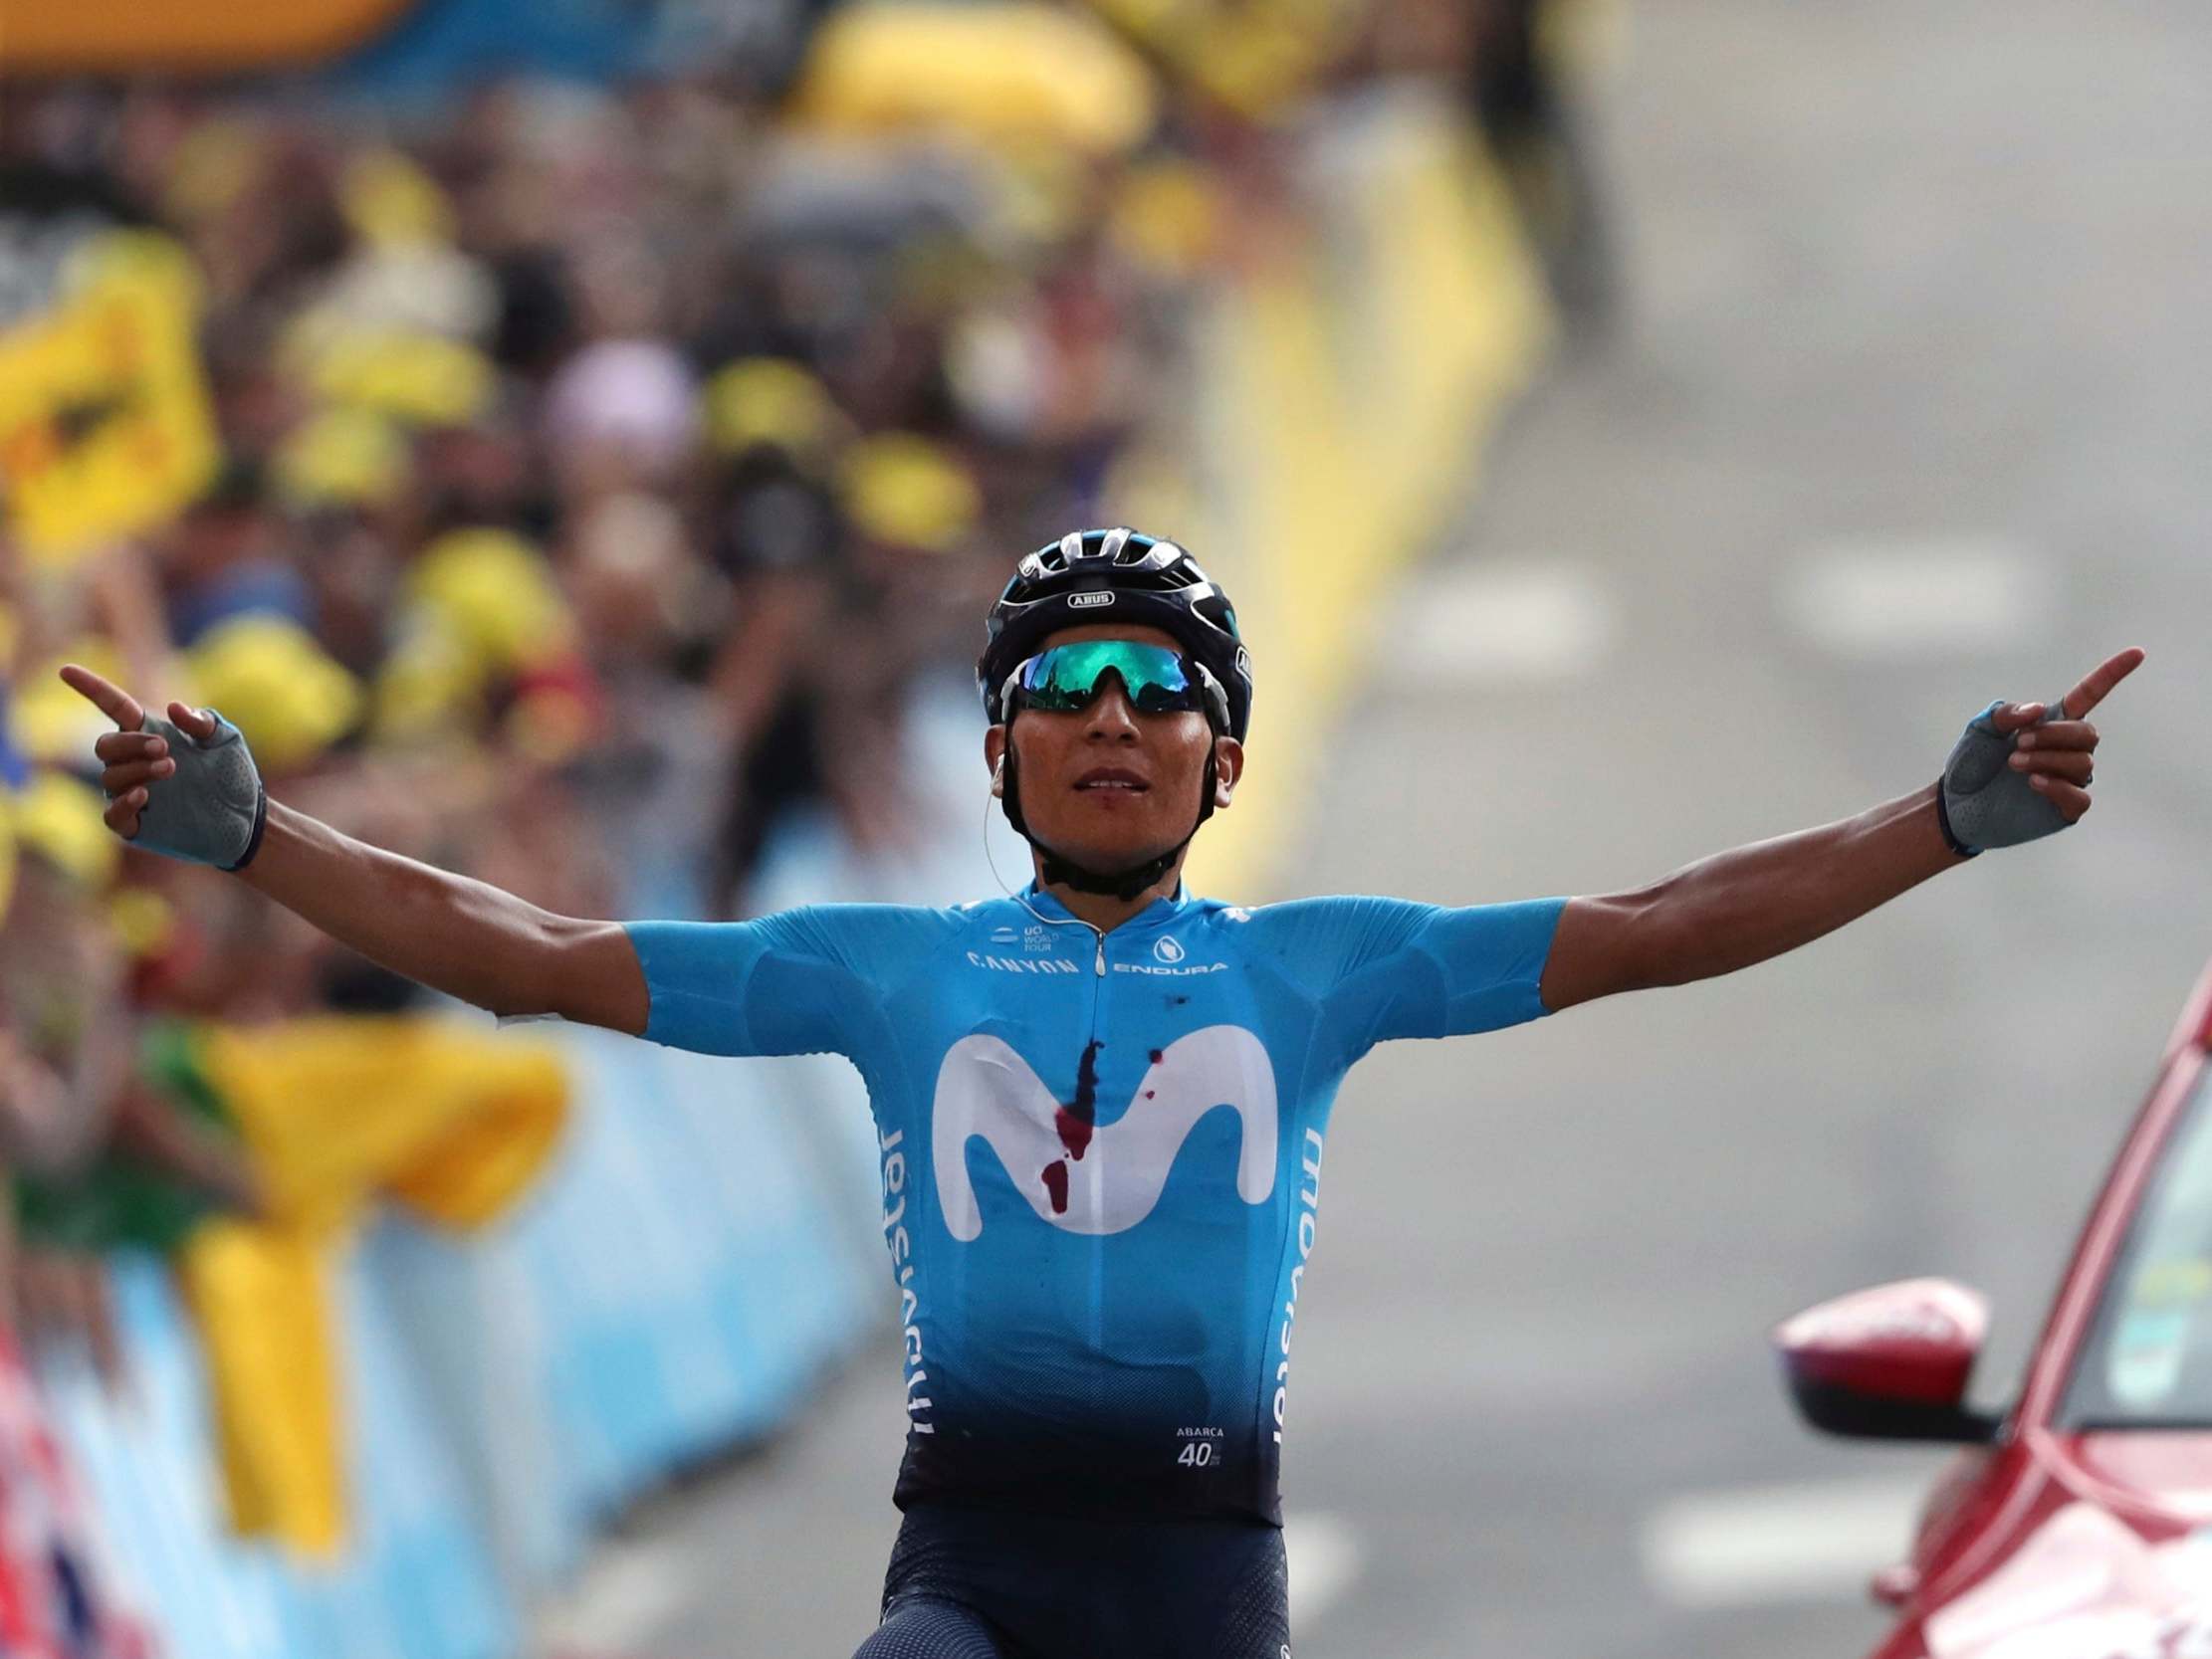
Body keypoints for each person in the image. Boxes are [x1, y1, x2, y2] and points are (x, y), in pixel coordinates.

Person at [60, 526, 2142, 1659]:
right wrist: (258, 841)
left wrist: (1936, 826)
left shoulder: (1318, 971)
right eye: (1060, 687)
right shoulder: (878, 976)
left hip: (1196, 1582)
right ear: (999, 759)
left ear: (1224, 762)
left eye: (1166, 689)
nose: (1114, 717)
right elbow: (514, 957)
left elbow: (1669, 917)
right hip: (960, 1575)